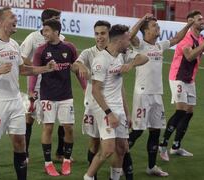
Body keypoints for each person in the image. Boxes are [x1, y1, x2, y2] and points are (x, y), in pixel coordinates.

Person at [0, 7, 57, 180]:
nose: (16, 19)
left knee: (20, 143)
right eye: (12, 17)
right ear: (2, 22)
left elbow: (22, 69)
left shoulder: (13, 44)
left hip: (16, 101)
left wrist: (45, 69)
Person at [121, 13, 194, 179]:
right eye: (154, 26)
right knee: (138, 131)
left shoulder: (159, 46)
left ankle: (151, 166)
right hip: (142, 94)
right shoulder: (140, 45)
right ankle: (121, 160)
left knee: (155, 132)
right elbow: (130, 35)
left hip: (157, 95)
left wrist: (188, 25)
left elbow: (176, 39)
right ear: (146, 31)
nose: (158, 28)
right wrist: (143, 19)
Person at [158, 10, 204, 161]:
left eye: (202, 19)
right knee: (181, 111)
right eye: (199, 19)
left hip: (189, 79)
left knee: (189, 113)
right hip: (178, 77)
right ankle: (162, 145)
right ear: (190, 21)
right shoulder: (186, 39)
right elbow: (189, 56)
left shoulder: (201, 38)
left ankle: (176, 146)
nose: (203, 21)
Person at [83, 24, 148, 180]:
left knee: (121, 148)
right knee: (107, 149)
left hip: (118, 108)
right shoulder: (101, 60)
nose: (130, 42)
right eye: (128, 39)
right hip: (104, 108)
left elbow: (144, 58)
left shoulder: (121, 55)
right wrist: (109, 113)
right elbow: (95, 90)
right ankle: (88, 177)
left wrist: (130, 64)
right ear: (120, 40)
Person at [29, 19, 86, 176]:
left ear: (56, 32)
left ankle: (66, 161)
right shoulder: (41, 50)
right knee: (48, 127)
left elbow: (77, 69)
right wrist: (31, 90)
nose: (44, 33)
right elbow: (35, 71)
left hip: (65, 95)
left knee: (68, 128)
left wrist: (85, 88)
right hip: (47, 95)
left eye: (46, 30)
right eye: (43, 30)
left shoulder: (69, 48)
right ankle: (48, 164)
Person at [19, 8, 66, 162]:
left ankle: (60, 153)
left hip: (55, 86)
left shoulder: (62, 38)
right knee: (30, 117)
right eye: (56, 18)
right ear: (46, 21)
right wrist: (39, 67)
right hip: (37, 85)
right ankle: (24, 153)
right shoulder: (33, 38)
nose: (59, 22)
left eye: (59, 19)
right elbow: (22, 57)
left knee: (61, 118)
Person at [74, 20, 111, 179]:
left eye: (103, 33)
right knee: (95, 141)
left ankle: (118, 169)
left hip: (112, 103)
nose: (99, 37)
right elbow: (75, 65)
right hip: (94, 104)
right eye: (97, 34)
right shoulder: (89, 52)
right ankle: (92, 174)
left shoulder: (115, 51)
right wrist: (79, 65)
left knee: (116, 142)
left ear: (109, 33)